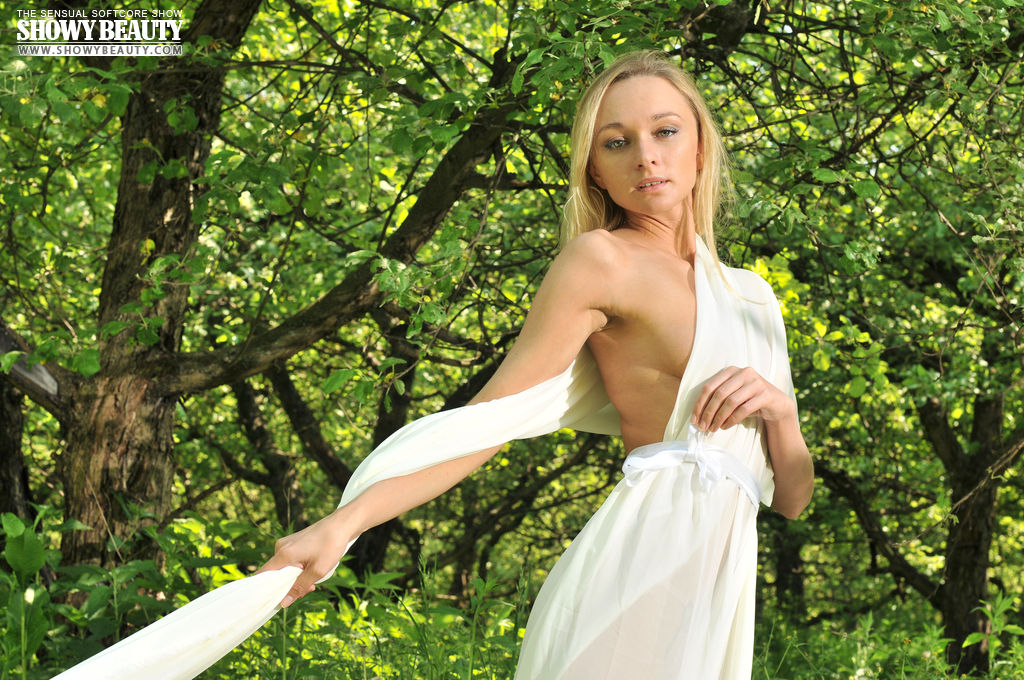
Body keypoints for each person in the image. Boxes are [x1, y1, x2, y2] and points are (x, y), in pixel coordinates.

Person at [260, 50, 813, 679]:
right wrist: (345, 524)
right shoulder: (600, 261)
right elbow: (491, 420)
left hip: (712, 602)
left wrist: (781, 411)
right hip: (635, 574)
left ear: (701, 147)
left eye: (665, 131)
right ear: (595, 171)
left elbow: (792, 497)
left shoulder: (752, 298)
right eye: (616, 142)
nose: (646, 156)